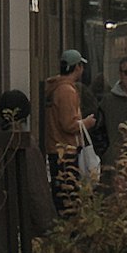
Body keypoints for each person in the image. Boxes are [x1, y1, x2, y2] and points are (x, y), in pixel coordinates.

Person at [40, 54, 92, 208]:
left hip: (56, 148)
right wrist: (86, 123)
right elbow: (68, 124)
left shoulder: (57, 87)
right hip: (66, 150)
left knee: (62, 194)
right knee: (69, 197)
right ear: (77, 67)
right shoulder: (67, 91)